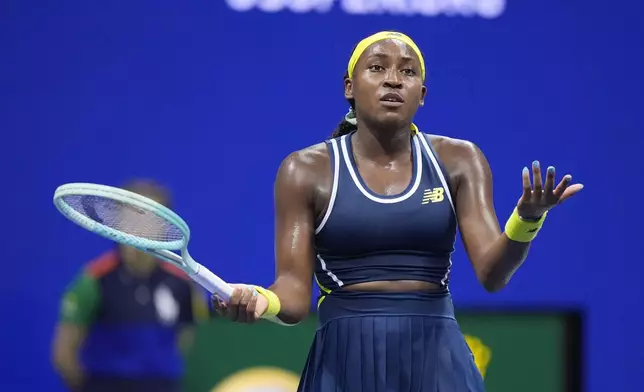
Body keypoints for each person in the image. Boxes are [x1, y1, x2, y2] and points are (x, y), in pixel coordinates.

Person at [213, 31, 583, 391]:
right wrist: (261, 300)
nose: (393, 80)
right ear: (349, 87)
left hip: (438, 357)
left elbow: (492, 274)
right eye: (377, 68)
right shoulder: (304, 170)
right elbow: (293, 296)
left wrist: (527, 219)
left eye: (407, 72)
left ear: (421, 95)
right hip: (344, 357)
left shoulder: (460, 160)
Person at [51, 179, 210, 392]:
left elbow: (187, 342)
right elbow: (64, 354)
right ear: (118, 221)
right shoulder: (93, 281)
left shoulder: (183, 285)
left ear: (166, 225)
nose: (141, 225)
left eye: (152, 217)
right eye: (133, 215)